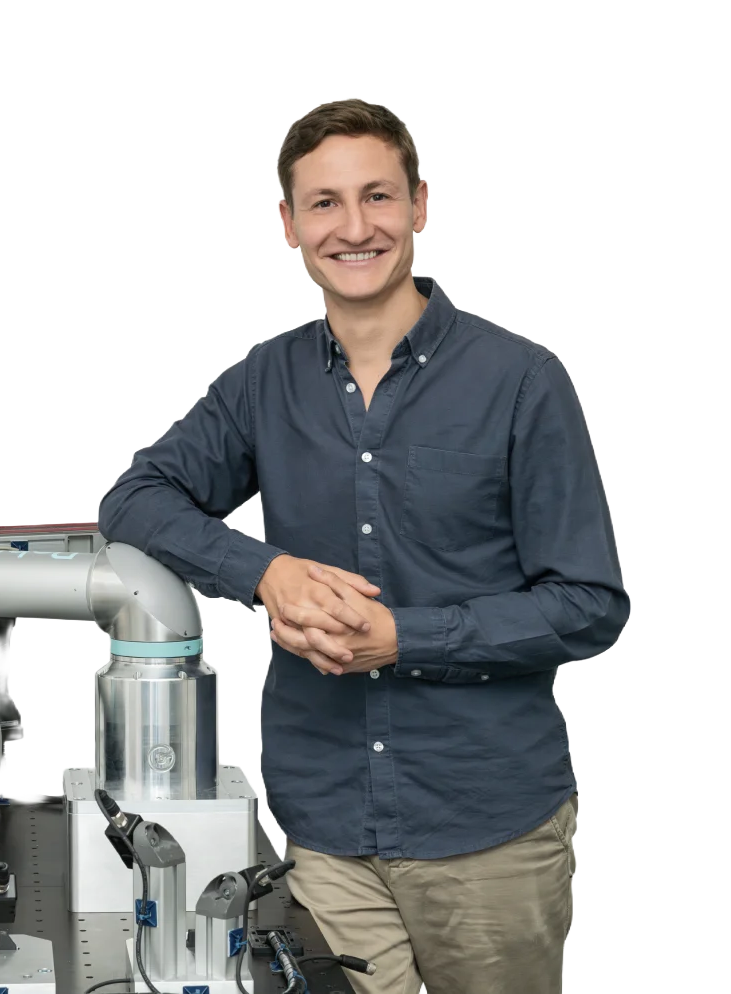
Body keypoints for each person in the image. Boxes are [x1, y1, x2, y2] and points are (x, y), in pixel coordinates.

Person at [97, 99, 627, 994]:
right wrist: (264, 571)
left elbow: (587, 603)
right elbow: (136, 497)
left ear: (421, 203)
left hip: (488, 829)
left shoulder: (523, 382)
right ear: (289, 223)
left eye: (377, 197)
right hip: (324, 822)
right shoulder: (264, 381)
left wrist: (405, 639)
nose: (354, 228)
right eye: (325, 203)